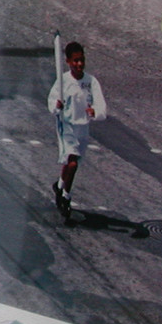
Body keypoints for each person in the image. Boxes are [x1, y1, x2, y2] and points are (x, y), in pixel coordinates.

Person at [46, 42, 107, 216]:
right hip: (66, 125)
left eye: (81, 60)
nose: (79, 64)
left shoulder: (91, 81)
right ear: (68, 61)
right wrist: (56, 105)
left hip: (83, 127)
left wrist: (95, 111)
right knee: (72, 162)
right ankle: (66, 196)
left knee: (72, 162)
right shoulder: (63, 81)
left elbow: (101, 105)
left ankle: (59, 186)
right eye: (75, 61)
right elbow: (52, 101)